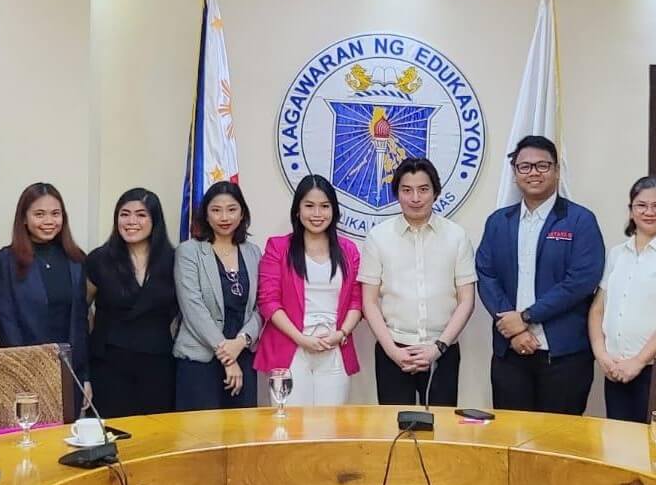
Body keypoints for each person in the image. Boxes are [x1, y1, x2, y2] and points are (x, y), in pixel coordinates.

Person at [476, 135, 605, 415]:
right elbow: (486, 274)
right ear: (515, 173)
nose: (533, 172)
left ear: (557, 171)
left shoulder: (580, 220)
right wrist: (513, 328)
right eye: (525, 166)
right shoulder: (498, 222)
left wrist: (525, 318)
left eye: (542, 165)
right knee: (511, 441)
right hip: (509, 354)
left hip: (564, 357)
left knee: (558, 445)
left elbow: (581, 281)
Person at [359, 157, 476, 407]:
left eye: (423, 189)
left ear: (435, 192)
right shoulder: (378, 238)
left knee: (439, 431)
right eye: (406, 190)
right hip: (394, 349)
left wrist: (438, 348)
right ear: (396, 194)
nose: (415, 198)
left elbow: (467, 300)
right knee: (393, 430)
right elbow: (368, 302)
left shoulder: (456, 236)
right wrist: (392, 351)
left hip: (442, 350)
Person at [588, 176, 656, 423]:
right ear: (631, 211)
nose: (649, 212)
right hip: (615, 369)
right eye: (641, 205)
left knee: (652, 447)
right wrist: (601, 354)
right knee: (618, 445)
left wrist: (638, 361)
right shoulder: (617, 254)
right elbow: (598, 309)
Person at [255, 175, 363, 406]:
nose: (317, 214)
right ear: (297, 210)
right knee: (289, 428)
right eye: (309, 206)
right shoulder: (278, 247)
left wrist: (341, 334)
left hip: (334, 350)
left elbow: (357, 301)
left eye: (325, 206)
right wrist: (302, 339)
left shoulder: (348, 250)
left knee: (331, 429)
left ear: (334, 210)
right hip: (291, 348)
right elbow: (268, 302)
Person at [0, 182, 90, 412]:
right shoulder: (5, 261)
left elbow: (81, 323)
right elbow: (7, 326)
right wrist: (26, 377)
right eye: (39, 214)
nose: (49, 221)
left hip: (71, 374)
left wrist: (85, 377)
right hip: (26, 375)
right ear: (24, 218)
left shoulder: (76, 259)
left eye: (56, 214)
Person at [86, 188, 177, 418]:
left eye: (141, 214)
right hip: (109, 365)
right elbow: (81, 312)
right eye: (124, 214)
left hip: (158, 365)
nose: (131, 221)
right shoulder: (99, 259)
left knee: (155, 439)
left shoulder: (173, 260)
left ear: (155, 220)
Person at [173, 181, 262, 410]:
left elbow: (260, 306)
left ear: (242, 213)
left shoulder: (253, 252)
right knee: (201, 437)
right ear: (206, 215)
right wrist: (226, 355)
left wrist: (240, 343)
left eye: (232, 209)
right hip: (200, 360)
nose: (224, 217)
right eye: (216, 210)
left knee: (241, 436)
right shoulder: (189, 251)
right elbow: (192, 307)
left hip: (243, 353)